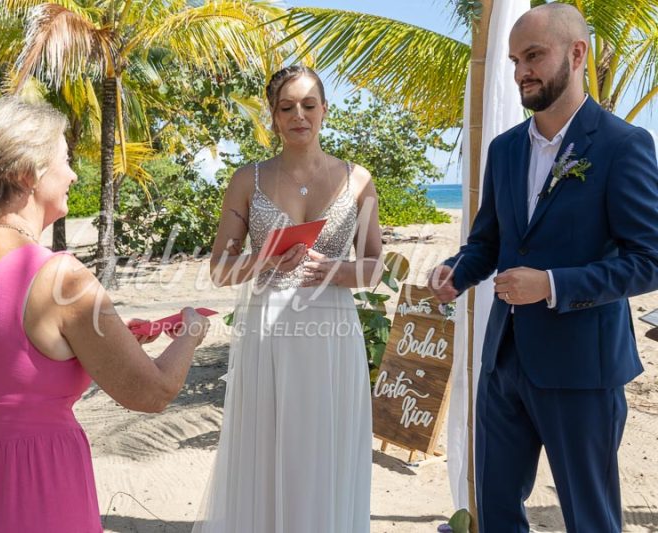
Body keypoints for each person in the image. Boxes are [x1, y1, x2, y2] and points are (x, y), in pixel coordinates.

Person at [0, 96, 210, 533]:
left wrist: (101, 342)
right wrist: (191, 332)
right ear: (29, 173)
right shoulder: (59, 275)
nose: (72, 174)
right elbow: (153, 392)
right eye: (64, 160)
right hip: (32, 489)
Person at [429, 4, 658, 532]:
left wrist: (552, 285)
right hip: (503, 361)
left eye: (533, 56)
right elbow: (488, 242)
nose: (520, 72)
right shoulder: (505, 150)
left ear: (577, 54)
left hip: (583, 368)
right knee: (497, 514)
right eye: (514, 60)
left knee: (590, 518)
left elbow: (648, 260)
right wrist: (455, 273)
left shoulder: (624, 145)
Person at [193, 66, 383, 533]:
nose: (299, 115)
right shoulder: (247, 180)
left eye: (308, 104)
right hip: (267, 329)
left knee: (325, 445)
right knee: (268, 444)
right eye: (286, 107)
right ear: (274, 118)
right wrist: (261, 259)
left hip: (332, 329)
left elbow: (375, 266)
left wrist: (335, 271)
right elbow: (219, 269)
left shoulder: (358, 180)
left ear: (324, 110)